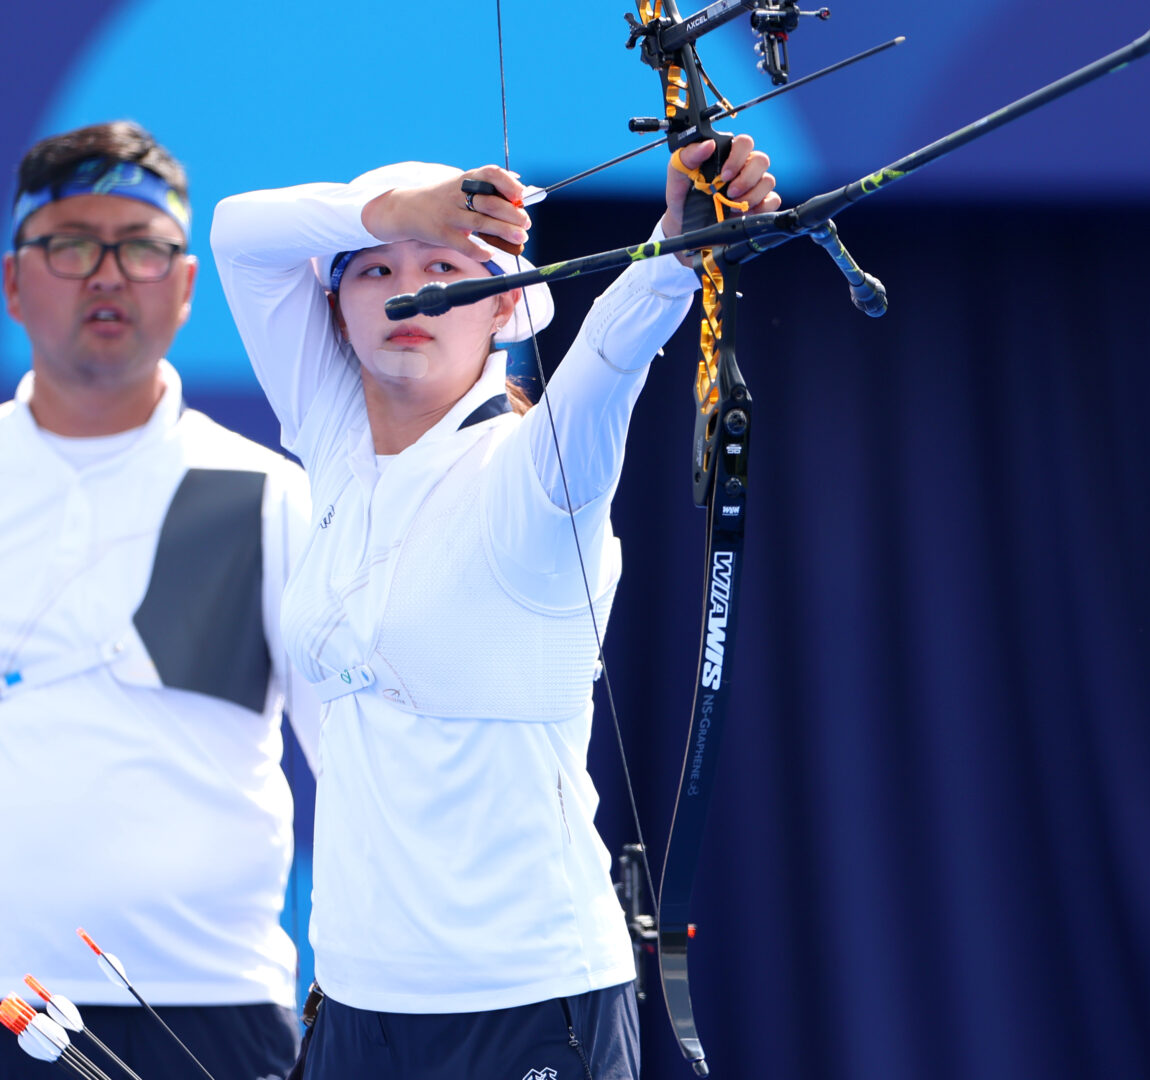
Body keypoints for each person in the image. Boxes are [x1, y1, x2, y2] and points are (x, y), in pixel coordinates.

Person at [208, 136, 777, 1080]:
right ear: (337, 309)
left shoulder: (539, 471)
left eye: (446, 270)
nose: (406, 291)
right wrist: (407, 208)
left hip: (530, 1002)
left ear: (507, 305)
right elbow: (238, 233)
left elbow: (611, 353)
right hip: (355, 1003)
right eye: (375, 271)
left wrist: (677, 244)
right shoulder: (332, 436)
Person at [0, 120, 314, 1080]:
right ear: (12, 281)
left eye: (143, 247)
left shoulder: (262, 492)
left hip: (215, 1012)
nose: (109, 274)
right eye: (72, 244)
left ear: (189, 284)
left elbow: (356, 764)